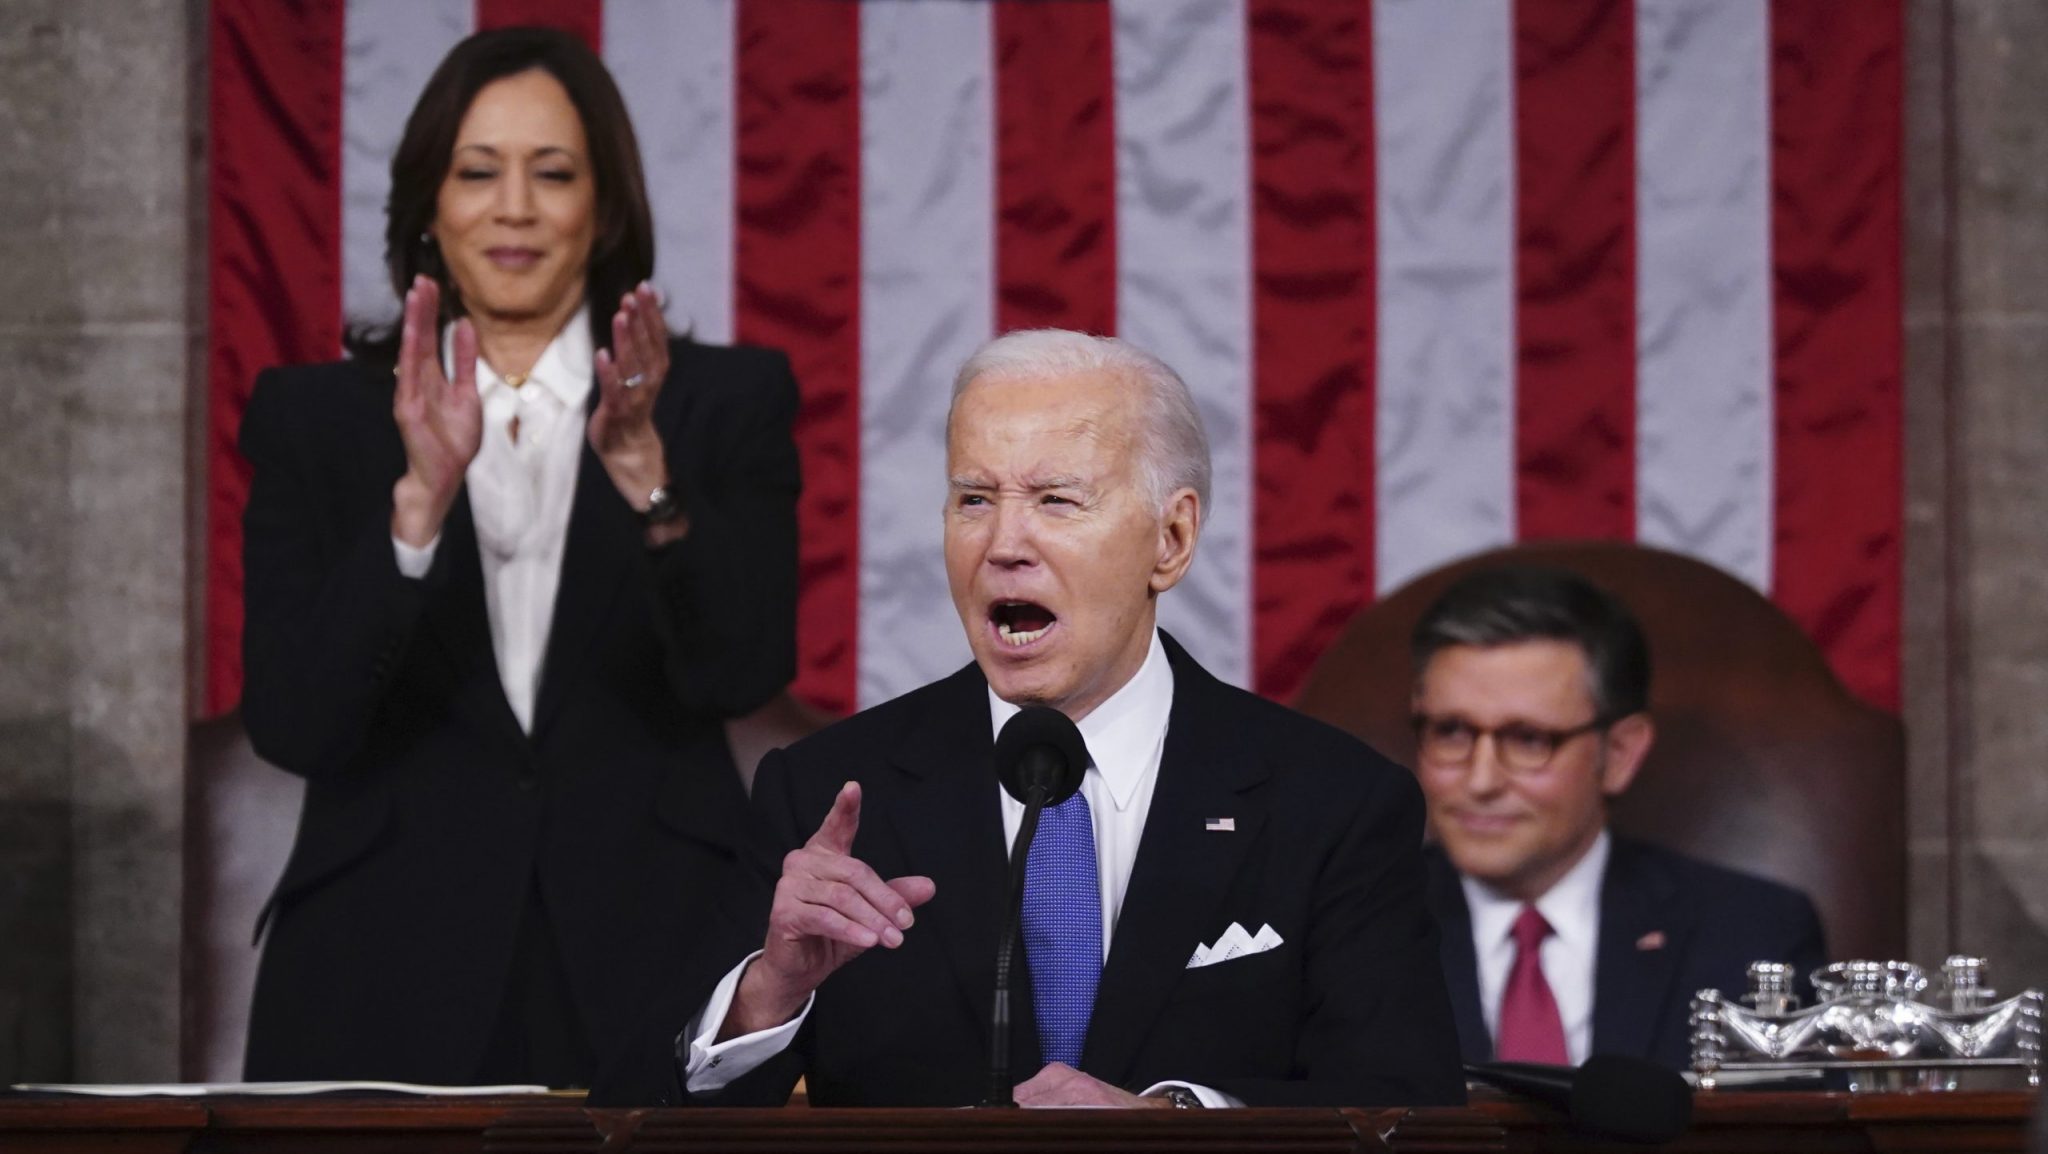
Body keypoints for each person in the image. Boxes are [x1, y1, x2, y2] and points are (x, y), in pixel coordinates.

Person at [594, 329, 1464, 1108]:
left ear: (1171, 540)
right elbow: (630, 1113)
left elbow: (1406, 1108)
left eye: (1056, 500)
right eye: (974, 499)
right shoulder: (828, 796)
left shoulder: (1335, 805)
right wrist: (767, 992)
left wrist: (1178, 1125)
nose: (1003, 542)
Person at [238, 27, 799, 1087]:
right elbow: (296, 721)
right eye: (477, 171)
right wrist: (415, 506)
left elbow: (742, 668)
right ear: (429, 204)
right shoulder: (313, 418)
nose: (513, 207)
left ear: (605, 204)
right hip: (377, 958)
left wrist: (647, 477)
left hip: (653, 947)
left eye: (552, 173)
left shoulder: (723, 403)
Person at [1409, 565, 1827, 1072]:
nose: (1479, 781)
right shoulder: (1346, 931)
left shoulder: (1752, 936)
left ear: (1620, 754)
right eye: (1451, 732)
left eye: (1528, 740)